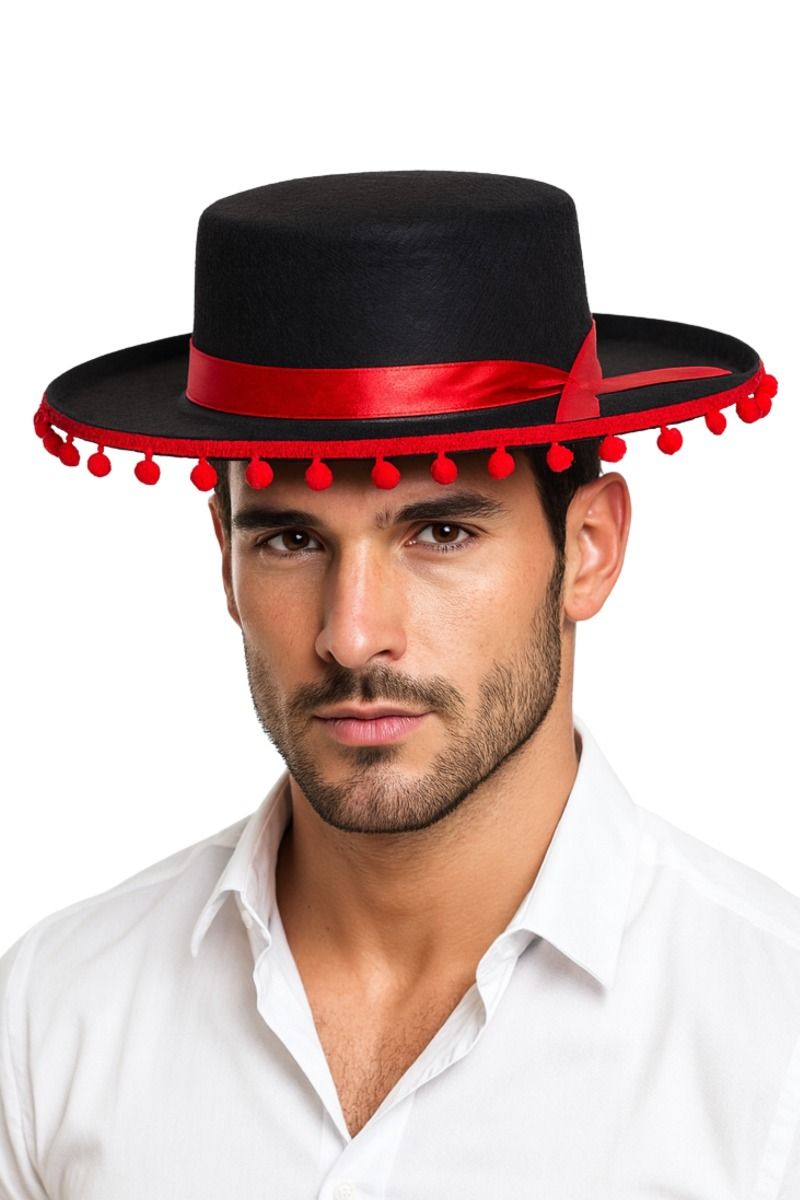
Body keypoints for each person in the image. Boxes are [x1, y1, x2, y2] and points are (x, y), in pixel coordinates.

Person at [2, 170, 798, 1197]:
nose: (352, 636)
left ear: (590, 549)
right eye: (290, 540)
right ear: (225, 560)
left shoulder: (770, 1042)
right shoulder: (54, 1016)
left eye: (441, 532)